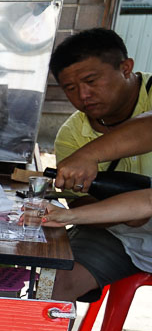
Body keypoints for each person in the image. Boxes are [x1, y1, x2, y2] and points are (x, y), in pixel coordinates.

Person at [22, 113, 152, 301]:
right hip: (135, 240)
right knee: (52, 284)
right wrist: (68, 216)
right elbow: (146, 201)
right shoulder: (71, 131)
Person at [51, 29, 152, 195]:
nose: (83, 95)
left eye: (91, 81)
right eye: (70, 88)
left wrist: (88, 155)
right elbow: (81, 203)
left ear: (126, 68)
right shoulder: (71, 135)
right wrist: (125, 211)